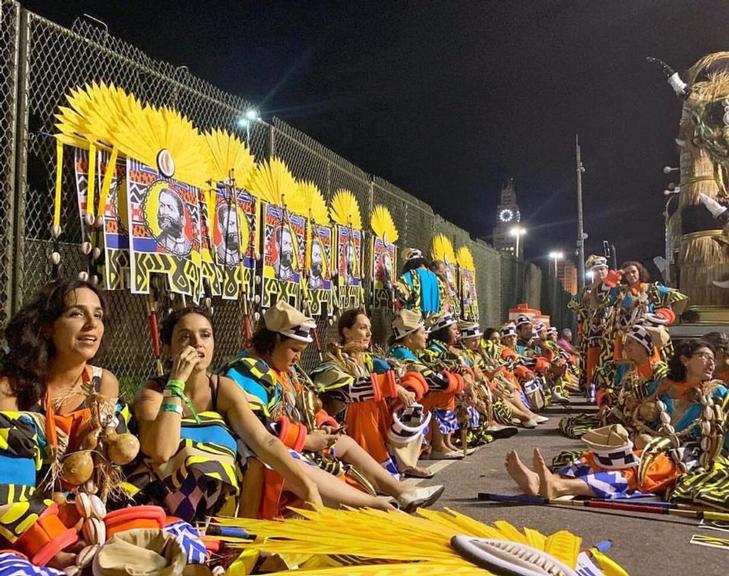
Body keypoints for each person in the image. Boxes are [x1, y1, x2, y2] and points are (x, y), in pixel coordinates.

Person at [223, 301, 444, 513]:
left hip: (298, 438)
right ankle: (375, 504)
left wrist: (326, 426)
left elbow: (308, 405)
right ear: (272, 342)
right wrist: (308, 439)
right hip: (266, 450)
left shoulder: (289, 370)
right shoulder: (249, 372)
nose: (299, 357)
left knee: (343, 441)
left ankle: (401, 491)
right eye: (294, 349)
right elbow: (259, 429)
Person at [133, 305, 321, 523]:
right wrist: (176, 382)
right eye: (185, 337)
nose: (197, 343)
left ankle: (242, 535)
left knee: (254, 451)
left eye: (205, 335)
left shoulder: (222, 388)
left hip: (223, 500)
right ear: (167, 348)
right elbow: (160, 451)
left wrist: (308, 487)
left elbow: (265, 441)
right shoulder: (153, 392)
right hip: (167, 503)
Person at [0, 279, 127, 568]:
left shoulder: (103, 384)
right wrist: (54, 545)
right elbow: (8, 485)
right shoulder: (11, 390)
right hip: (20, 527)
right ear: (46, 327)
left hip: (84, 519)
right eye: (76, 314)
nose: (91, 324)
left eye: (98, 315)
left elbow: (110, 470)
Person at [310, 308, 437, 479]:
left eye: (369, 328)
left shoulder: (366, 359)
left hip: (370, 422)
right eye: (362, 328)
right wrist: (392, 386)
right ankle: (377, 466)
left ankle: (405, 463)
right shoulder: (333, 361)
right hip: (340, 425)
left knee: (406, 393)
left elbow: (397, 376)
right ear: (346, 332)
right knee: (369, 399)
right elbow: (351, 390)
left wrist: (405, 387)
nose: (369, 333)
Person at [388, 309, 463, 459]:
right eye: (422, 332)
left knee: (447, 390)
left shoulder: (407, 351)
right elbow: (436, 382)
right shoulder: (402, 353)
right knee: (443, 392)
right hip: (398, 405)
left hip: (406, 402)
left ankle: (441, 444)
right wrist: (459, 382)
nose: (426, 336)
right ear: (409, 337)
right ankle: (437, 446)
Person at [394, 248, 443, 318]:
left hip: (415, 322)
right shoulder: (436, 278)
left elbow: (402, 297)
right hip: (433, 321)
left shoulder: (411, 275)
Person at [157, 187, 192, 255]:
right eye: (162, 206)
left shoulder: (191, 248)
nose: (165, 212)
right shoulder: (157, 242)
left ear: (182, 219)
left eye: (170, 208)